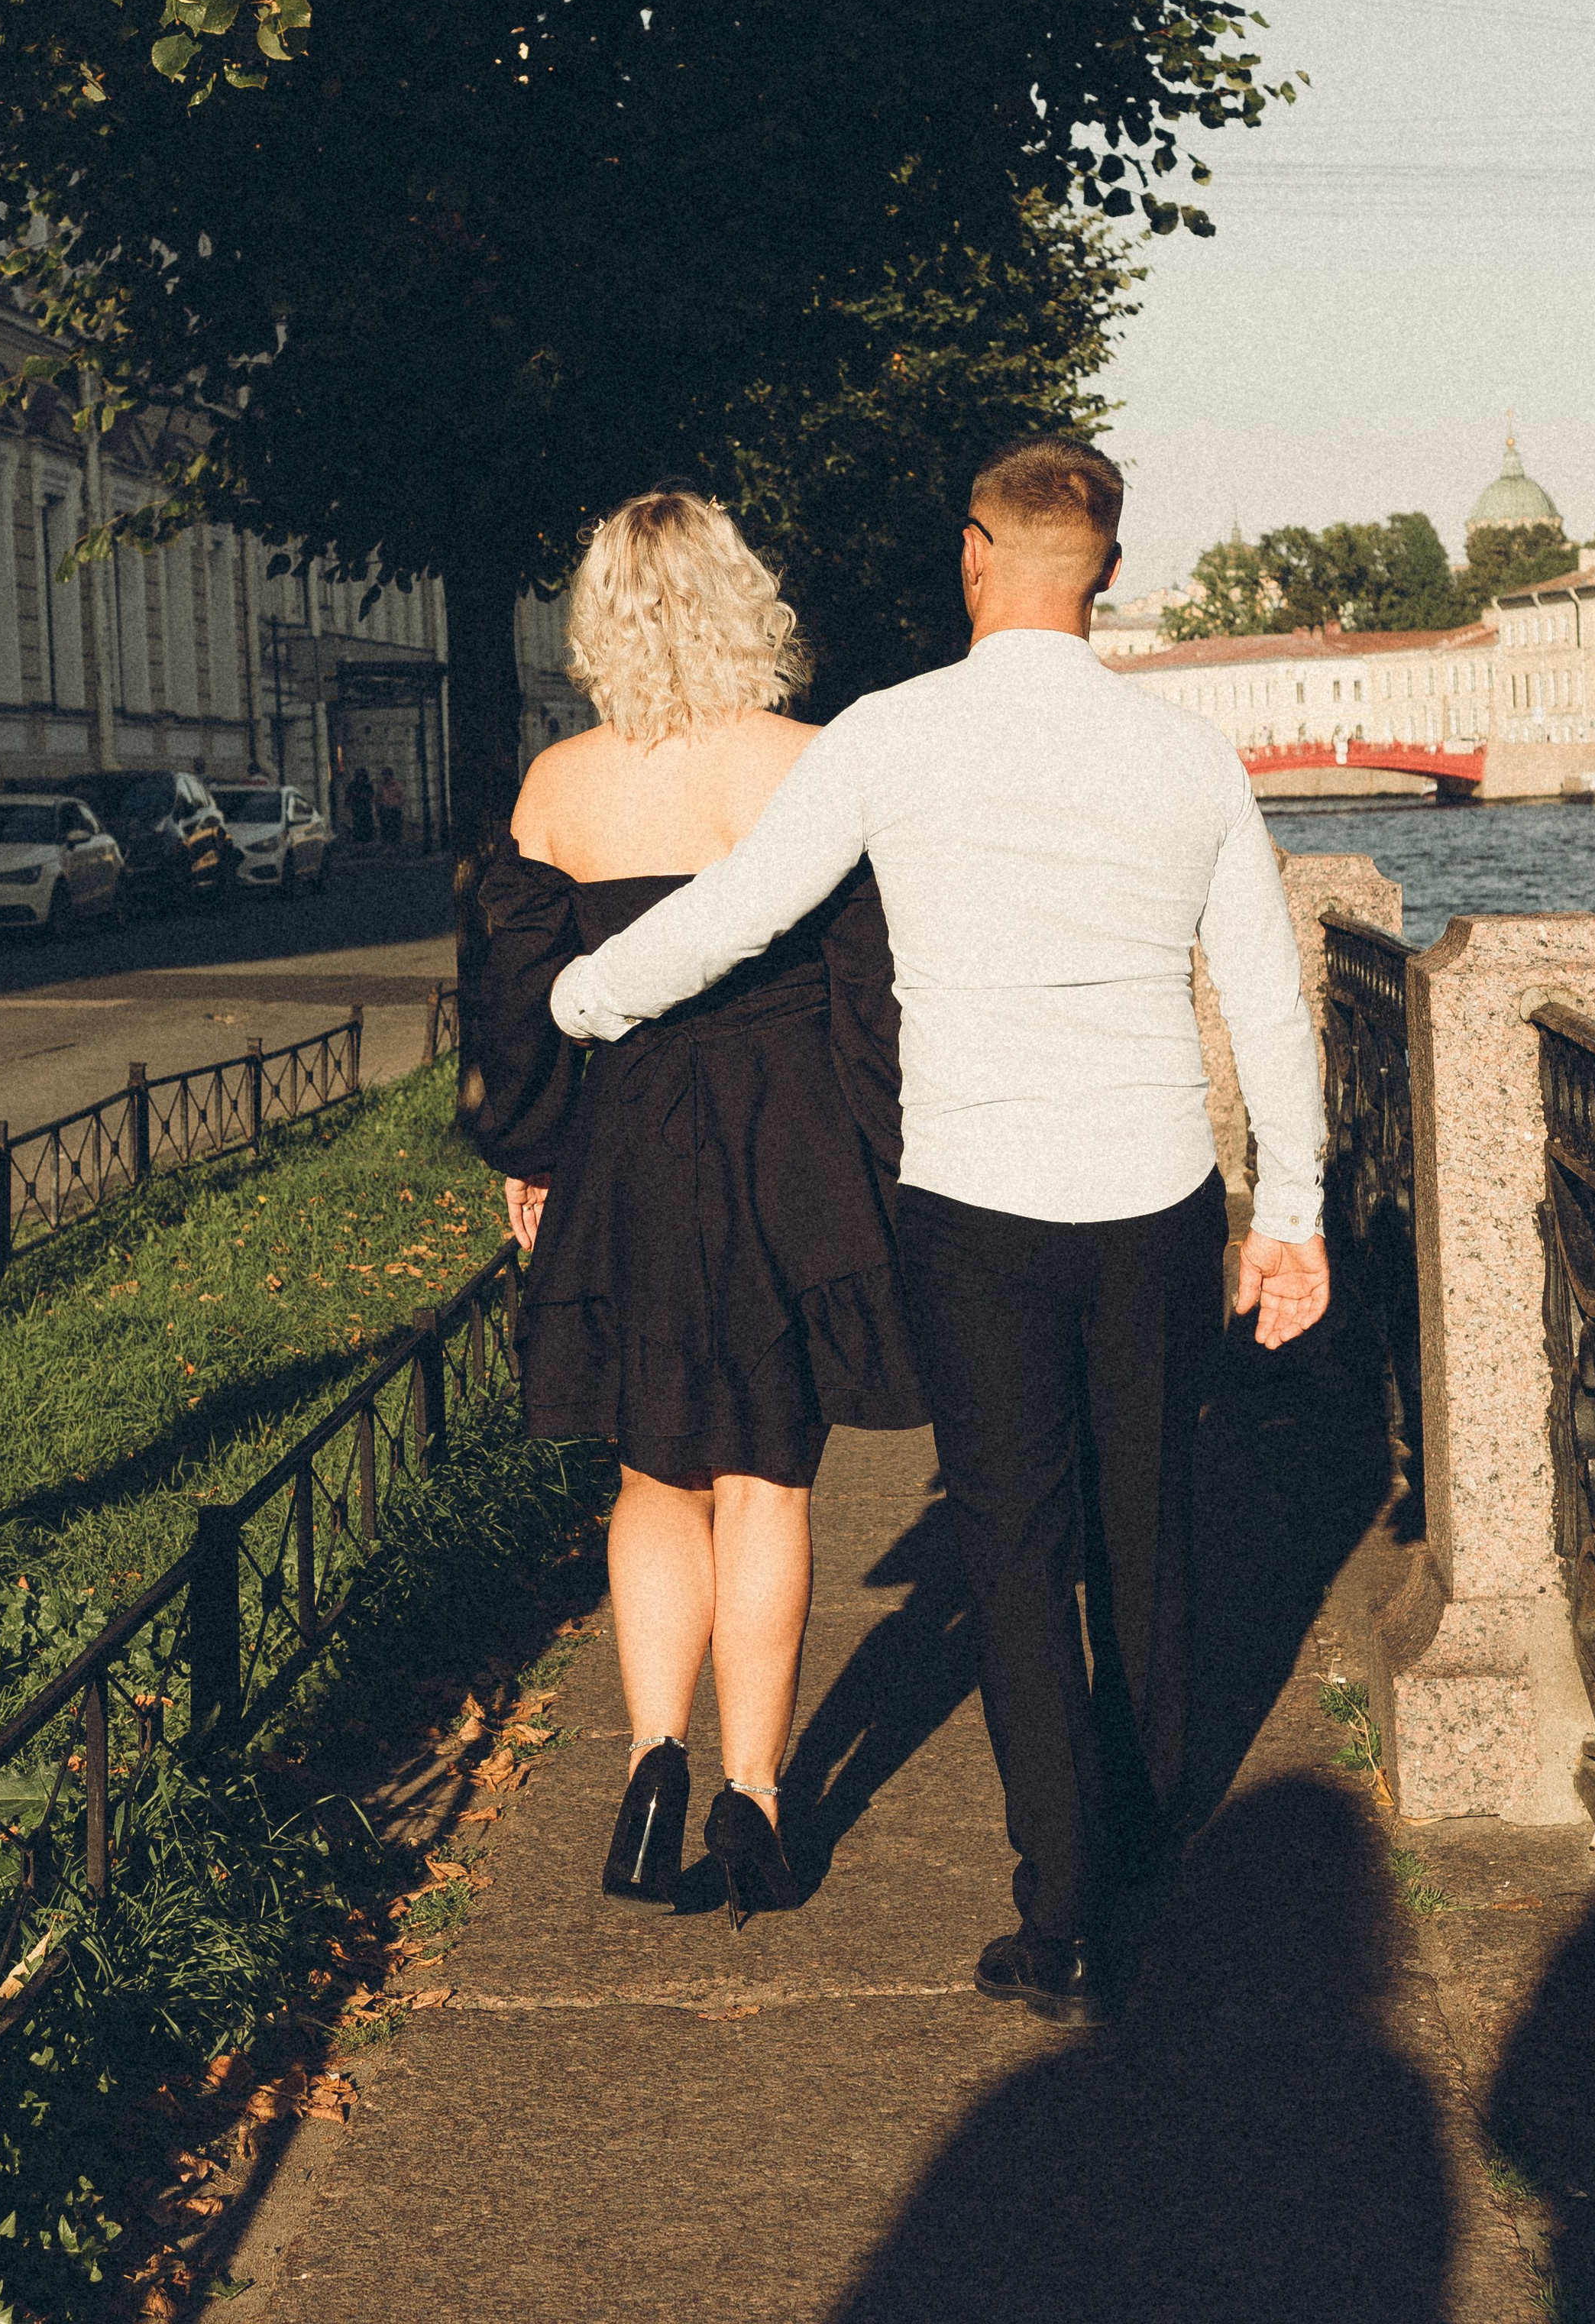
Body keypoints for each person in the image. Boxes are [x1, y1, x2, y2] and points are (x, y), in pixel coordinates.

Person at [552, 439, 1329, 2025]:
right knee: (1147, 1534)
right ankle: (1146, 1826)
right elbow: (1262, 996)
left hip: (973, 1212)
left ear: (971, 557)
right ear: (1104, 571)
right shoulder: (1187, 760)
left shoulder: (890, 738)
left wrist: (584, 999)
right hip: (1154, 1197)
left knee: (1015, 1553)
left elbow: (740, 910)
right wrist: (1294, 1215)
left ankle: (1059, 1916)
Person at [462, 491, 924, 1929]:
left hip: (632, 1148)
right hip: (788, 1148)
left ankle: (650, 1763)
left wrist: (535, 1162)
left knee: (655, 1470)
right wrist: (892, 1161)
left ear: (599, 619)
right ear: (747, 605)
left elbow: (516, 1012)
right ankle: (754, 1790)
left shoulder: (559, 790)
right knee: (768, 1475)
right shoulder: (809, 764)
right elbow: (875, 996)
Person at [377, 765, 406, 849]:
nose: (385, 777)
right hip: (385, 810)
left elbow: (402, 797)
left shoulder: (397, 785)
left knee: (396, 828)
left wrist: (397, 804)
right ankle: (387, 844)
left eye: (387, 775)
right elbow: (378, 798)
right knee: (385, 829)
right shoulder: (381, 786)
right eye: (384, 775)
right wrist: (379, 808)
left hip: (395, 810)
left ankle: (396, 844)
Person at [346, 764, 375, 846]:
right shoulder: (352, 785)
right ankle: (358, 842)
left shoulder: (367, 785)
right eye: (359, 776)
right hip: (357, 808)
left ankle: (368, 841)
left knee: (367, 825)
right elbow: (348, 795)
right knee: (357, 825)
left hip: (366, 808)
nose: (361, 778)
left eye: (362, 776)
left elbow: (370, 795)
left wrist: (362, 796)